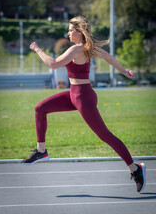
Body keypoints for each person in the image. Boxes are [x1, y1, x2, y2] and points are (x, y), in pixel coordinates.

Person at [22, 16, 146, 192]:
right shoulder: (89, 48)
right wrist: (125, 71)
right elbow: (109, 57)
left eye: (71, 30)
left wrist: (37, 49)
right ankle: (41, 150)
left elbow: (53, 64)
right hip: (74, 94)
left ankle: (135, 169)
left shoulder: (77, 49)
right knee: (40, 108)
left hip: (84, 98)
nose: (68, 32)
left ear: (79, 32)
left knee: (106, 136)